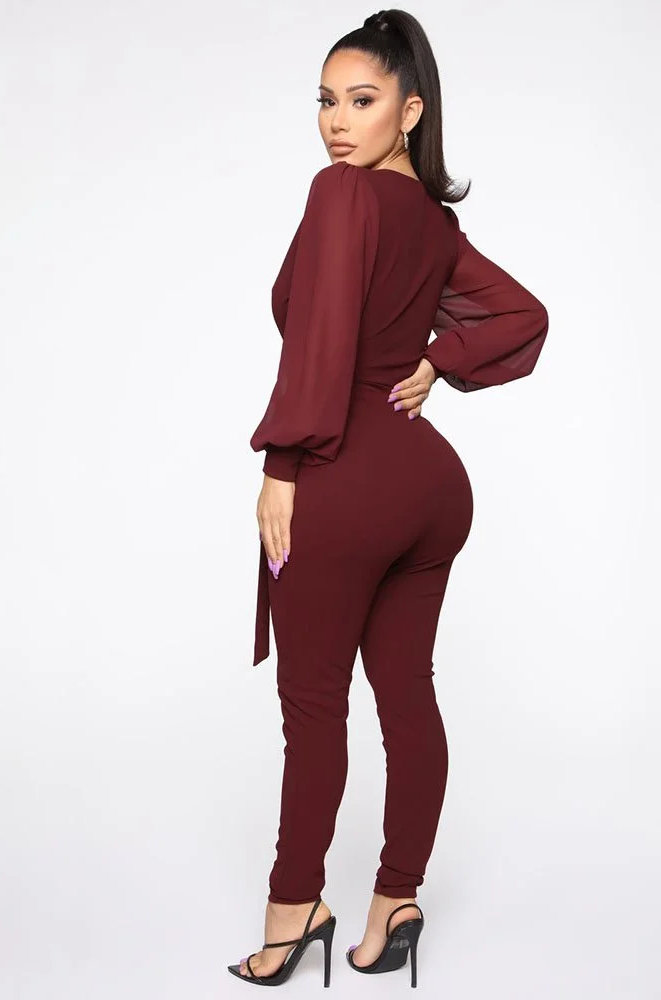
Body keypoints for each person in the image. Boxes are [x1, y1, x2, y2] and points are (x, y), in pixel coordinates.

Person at [228, 8, 549, 989]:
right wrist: (440, 359)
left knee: (314, 707)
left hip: (346, 482)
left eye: (361, 100)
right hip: (428, 487)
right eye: (326, 100)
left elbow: (321, 337)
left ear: (409, 111)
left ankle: (294, 913)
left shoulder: (342, 195)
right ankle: (395, 902)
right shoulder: (435, 227)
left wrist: (284, 464)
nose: (336, 121)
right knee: (407, 691)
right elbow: (523, 317)